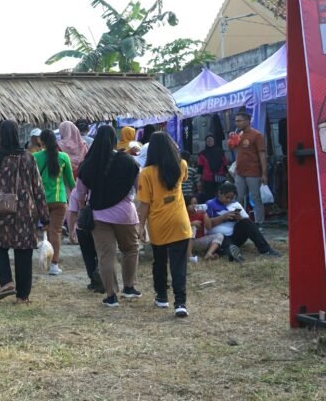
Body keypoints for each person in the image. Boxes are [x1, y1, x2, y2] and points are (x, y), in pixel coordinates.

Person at [0, 120, 48, 304]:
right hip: (26, 211)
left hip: (2, 210)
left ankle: (7, 282)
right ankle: (22, 296)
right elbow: (38, 188)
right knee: (24, 252)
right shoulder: (28, 157)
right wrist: (44, 216)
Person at [74, 125, 141, 308]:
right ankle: (129, 287)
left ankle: (111, 296)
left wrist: (83, 209)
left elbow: (80, 194)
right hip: (126, 215)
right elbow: (139, 188)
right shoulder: (128, 161)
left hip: (99, 216)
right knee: (130, 249)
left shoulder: (88, 164)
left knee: (105, 255)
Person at [137, 132, 193, 317]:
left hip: (158, 223)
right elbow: (183, 179)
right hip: (180, 221)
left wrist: (140, 226)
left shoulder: (146, 173)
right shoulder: (181, 165)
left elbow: (145, 204)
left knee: (160, 261)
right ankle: (180, 303)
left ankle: (162, 296)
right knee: (179, 264)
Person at [204, 182, 281, 262]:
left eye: (231, 198)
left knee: (246, 222)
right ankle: (231, 253)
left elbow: (248, 222)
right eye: (226, 197)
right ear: (220, 193)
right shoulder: (210, 204)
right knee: (227, 244)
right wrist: (222, 218)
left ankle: (266, 249)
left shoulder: (235, 204)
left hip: (234, 235)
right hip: (220, 237)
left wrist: (239, 218)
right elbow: (207, 225)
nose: (228, 200)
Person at [33, 129, 75, 275]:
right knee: (55, 232)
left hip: (40, 201)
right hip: (59, 200)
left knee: (39, 229)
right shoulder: (63, 157)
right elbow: (70, 182)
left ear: (41, 141)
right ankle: (54, 265)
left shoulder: (35, 157)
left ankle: (41, 256)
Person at [232, 111, 268, 226]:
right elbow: (232, 148)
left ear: (247, 121)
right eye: (236, 121)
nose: (237, 123)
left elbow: (262, 154)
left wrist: (264, 173)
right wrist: (232, 138)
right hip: (239, 172)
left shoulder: (256, 135)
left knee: (256, 198)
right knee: (238, 197)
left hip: (253, 172)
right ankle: (239, 222)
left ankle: (259, 222)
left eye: (239, 121)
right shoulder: (239, 134)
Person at [186, 196, 223, 261]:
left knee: (219, 235)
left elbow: (208, 227)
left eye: (195, 203)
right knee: (193, 228)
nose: (194, 205)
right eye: (191, 204)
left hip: (200, 240)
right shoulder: (184, 215)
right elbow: (179, 227)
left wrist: (205, 214)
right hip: (186, 242)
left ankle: (209, 254)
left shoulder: (200, 213)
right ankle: (189, 255)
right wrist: (191, 224)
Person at [197, 134, 228, 202]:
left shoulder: (221, 152)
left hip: (220, 177)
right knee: (209, 196)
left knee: (220, 195)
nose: (209, 142)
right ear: (205, 142)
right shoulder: (202, 154)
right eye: (208, 141)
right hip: (207, 178)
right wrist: (199, 181)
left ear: (214, 141)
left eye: (211, 140)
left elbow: (225, 164)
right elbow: (200, 168)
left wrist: (227, 176)